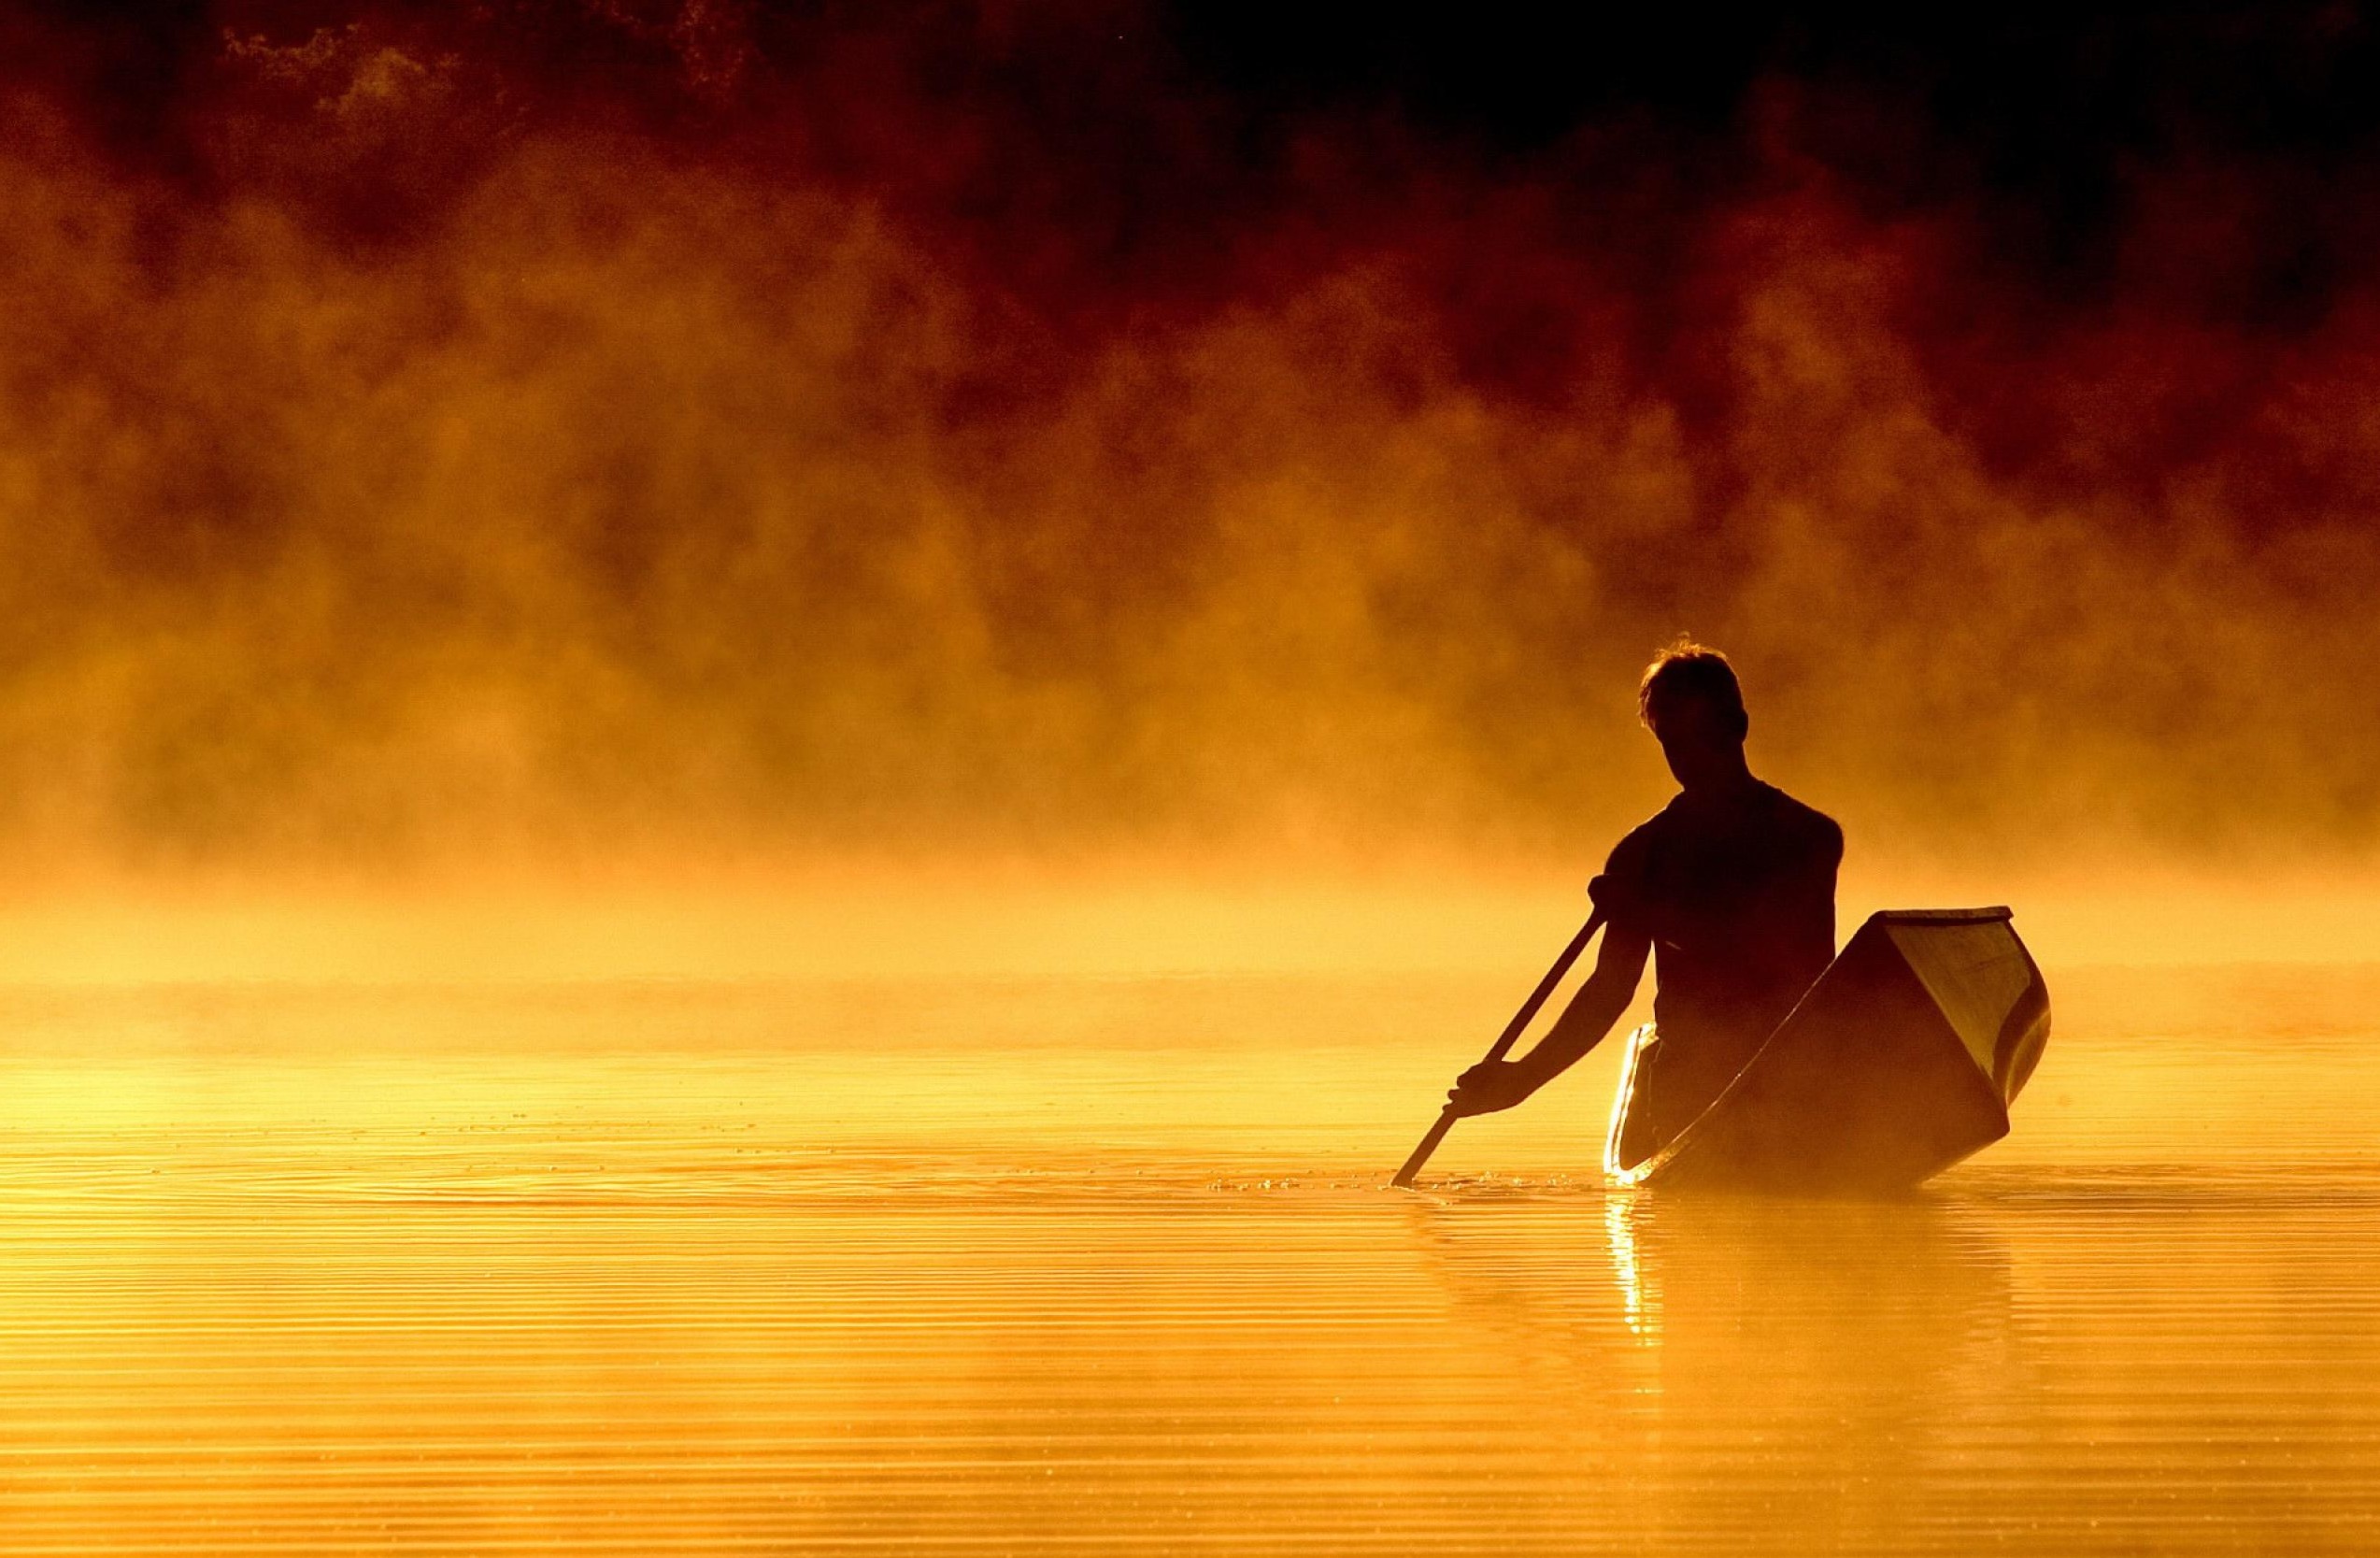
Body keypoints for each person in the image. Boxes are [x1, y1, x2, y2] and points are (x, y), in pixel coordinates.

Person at [1445, 642, 1843, 1164]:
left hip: (1795, 1078)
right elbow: (1609, 991)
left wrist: (1644, 913)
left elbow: (1782, 954)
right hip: (1692, 1083)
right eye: (1672, 742)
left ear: (1739, 727)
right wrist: (1523, 1079)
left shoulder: (1807, 837)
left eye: (1702, 736)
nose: (1689, 758)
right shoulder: (1642, 854)